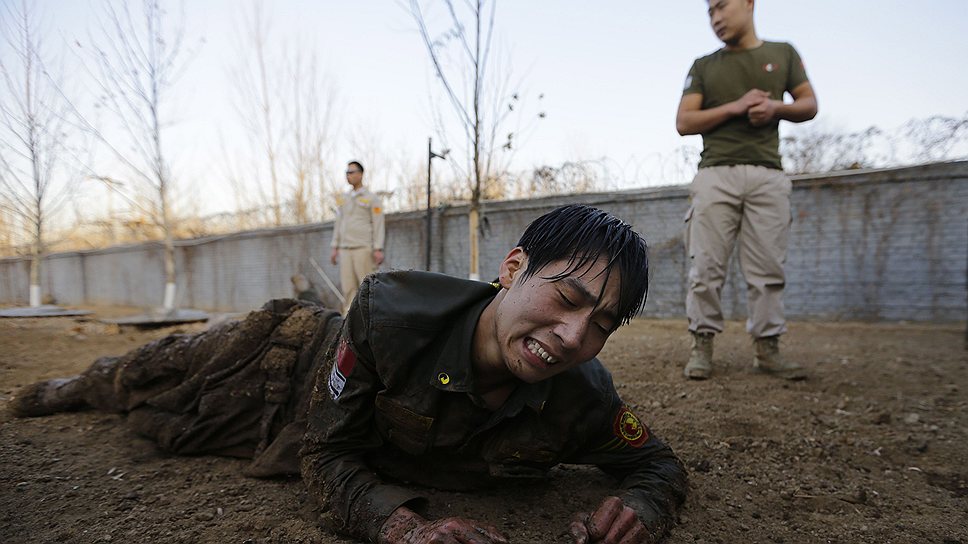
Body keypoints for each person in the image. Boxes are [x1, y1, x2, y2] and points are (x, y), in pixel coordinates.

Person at [11, 205, 687, 544]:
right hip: (290, 357)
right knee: (151, 376)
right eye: (566, 299)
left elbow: (657, 465)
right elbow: (324, 446)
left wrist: (640, 509)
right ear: (511, 271)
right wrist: (405, 529)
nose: (574, 336)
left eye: (601, 324)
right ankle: (78, 383)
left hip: (298, 434)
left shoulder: (583, 395)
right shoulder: (391, 312)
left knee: (164, 430)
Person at [675, 0, 818, 380]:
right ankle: (701, 346)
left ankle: (768, 350)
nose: (716, 17)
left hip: (768, 174)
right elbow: (685, 121)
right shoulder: (704, 65)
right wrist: (738, 107)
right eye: (709, 12)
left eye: (722, 6)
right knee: (705, 265)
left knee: (768, 268)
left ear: (749, 4)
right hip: (715, 174)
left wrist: (774, 109)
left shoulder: (782, 53)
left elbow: (809, 104)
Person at [330, 161, 385, 314]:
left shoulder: (372, 198)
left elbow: (378, 223)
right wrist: (335, 246)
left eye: (351, 172)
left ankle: (370, 320)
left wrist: (378, 248)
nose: (348, 175)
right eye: (346, 172)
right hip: (345, 249)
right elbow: (338, 222)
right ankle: (347, 325)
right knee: (348, 289)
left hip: (363, 248)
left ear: (360, 174)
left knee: (367, 287)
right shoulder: (343, 198)